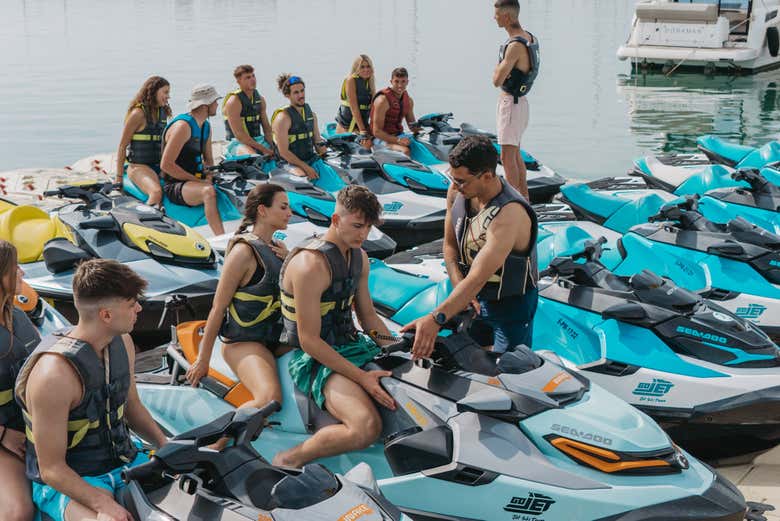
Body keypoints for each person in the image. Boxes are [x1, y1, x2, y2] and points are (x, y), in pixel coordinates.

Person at [15, 259, 168, 521]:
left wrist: (167, 447)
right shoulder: (54, 375)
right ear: (106, 315)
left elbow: (132, 407)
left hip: (124, 461)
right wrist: (103, 505)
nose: (139, 309)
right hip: (70, 480)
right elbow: (51, 469)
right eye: (132, 304)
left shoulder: (123, 342)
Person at [272, 185, 396, 468]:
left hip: (352, 345)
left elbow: (367, 317)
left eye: (367, 228)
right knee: (365, 427)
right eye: (356, 226)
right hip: (315, 358)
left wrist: (398, 347)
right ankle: (289, 459)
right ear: (336, 220)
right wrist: (362, 377)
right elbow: (309, 341)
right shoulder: (310, 266)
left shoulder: (359, 257)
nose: (363, 234)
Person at [401, 135, 538, 357]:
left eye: (462, 181)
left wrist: (436, 318)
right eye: (453, 178)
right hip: (471, 299)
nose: (455, 186)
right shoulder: (457, 192)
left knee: (508, 372)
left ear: (486, 176)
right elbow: (450, 246)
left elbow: (478, 277)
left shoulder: (510, 214)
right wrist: (459, 287)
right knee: (466, 362)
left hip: (511, 306)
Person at [186, 183, 291, 431]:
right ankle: (216, 447)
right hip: (244, 342)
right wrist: (203, 360)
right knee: (269, 399)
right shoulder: (243, 253)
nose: (290, 213)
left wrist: (288, 260)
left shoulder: (278, 250)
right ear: (263, 210)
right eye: (284, 207)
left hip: (274, 338)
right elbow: (218, 307)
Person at [0, 241, 40, 521]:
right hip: (5, 437)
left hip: (30, 430)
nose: (22, 273)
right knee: (19, 511)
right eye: (15, 268)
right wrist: (4, 435)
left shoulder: (17, 315)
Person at [160, 84, 225, 235]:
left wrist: (209, 175)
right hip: (176, 184)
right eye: (214, 101)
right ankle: (222, 238)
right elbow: (166, 165)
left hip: (195, 179)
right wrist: (200, 182)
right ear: (205, 105)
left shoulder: (206, 127)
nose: (217, 104)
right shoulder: (182, 127)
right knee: (208, 192)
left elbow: (208, 161)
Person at [492, 0, 540, 199]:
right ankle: (524, 199)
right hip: (520, 104)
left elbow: (496, 80)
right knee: (515, 154)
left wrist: (498, 67)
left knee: (507, 156)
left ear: (507, 17)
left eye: (496, 14)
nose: (494, 17)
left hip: (511, 104)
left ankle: (513, 203)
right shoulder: (530, 37)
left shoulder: (514, 46)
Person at [271, 74, 342, 192]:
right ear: (287, 95)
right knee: (302, 181)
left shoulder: (311, 115)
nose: (301, 95)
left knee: (337, 184)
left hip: (311, 159)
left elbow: (318, 142)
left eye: (302, 91)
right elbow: (283, 152)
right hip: (289, 164)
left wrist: (331, 149)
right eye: (296, 93)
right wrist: (306, 168)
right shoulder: (283, 118)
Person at [115, 76, 172, 206]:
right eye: (165, 92)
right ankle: (145, 221)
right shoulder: (138, 113)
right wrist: (118, 178)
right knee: (156, 192)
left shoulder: (162, 112)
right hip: (139, 167)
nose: (168, 96)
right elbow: (122, 146)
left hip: (158, 166)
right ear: (153, 91)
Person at [222, 64, 275, 157]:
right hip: (237, 143)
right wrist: (263, 149)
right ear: (239, 81)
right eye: (247, 77)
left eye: (253, 76)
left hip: (258, 140)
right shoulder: (234, 102)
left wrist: (273, 146)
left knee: (281, 154)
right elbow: (239, 135)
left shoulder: (260, 100)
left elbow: (267, 128)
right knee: (253, 157)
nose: (252, 79)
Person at [370, 67, 417, 156]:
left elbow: (413, 126)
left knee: (422, 145)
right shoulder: (382, 100)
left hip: (399, 135)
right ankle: (404, 170)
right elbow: (376, 132)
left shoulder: (409, 100)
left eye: (403, 81)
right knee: (405, 151)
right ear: (391, 82)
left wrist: (428, 127)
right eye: (396, 81)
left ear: (407, 82)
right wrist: (398, 140)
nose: (400, 85)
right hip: (380, 139)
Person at [334, 55, 376, 140]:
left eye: (368, 66)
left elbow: (374, 109)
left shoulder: (370, 83)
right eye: (362, 67)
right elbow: (354, 108)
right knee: (367, 145)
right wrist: (363, 130)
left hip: (361, 125)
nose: (366, 69)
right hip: (348, 127)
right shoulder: (351, 80)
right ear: (356, 68)